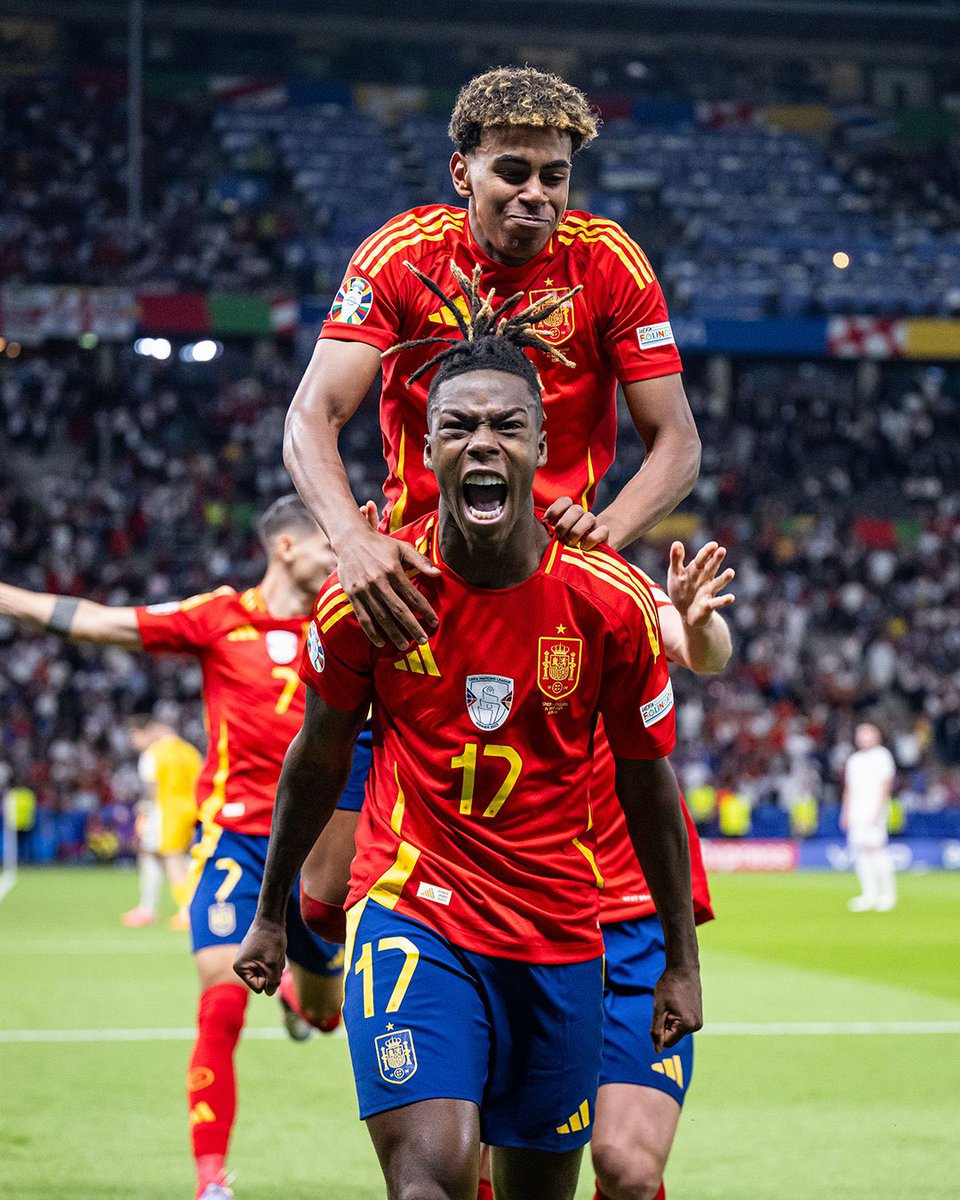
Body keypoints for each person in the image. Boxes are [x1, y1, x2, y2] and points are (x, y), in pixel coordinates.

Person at [236, 314, 702, 1200]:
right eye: (457, 426)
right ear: (427, 448)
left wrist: (681, 958)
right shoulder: (370, 596)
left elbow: (649, 785)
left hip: (558, 932)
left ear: (541, 446)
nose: (482, 442)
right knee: (432, 1181)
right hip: (416, 913)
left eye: (505, 426)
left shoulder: (608, 603)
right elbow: (318, 758)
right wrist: (272, 914)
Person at [283, 63, 700, 650]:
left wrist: (607, 532)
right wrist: (351, 538)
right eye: (512, 172)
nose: (536, 194)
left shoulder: (609, 262)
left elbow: (678, 440)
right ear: (462, 173)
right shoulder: (403, 256)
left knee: (673, 665)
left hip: (554, 561)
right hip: (418, 566)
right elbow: (312, 414)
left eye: (554, 176)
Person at [0, 495, 344, 1200]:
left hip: (321, 849)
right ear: (285, 547)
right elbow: (101, 623)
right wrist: (7, 597)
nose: (340, 555)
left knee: (326, 1013)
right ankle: (211, 1181)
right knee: (220, 1001)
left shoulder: (343, 623)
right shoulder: (220, 616)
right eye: (327, 543)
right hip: (235, 844)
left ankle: (296, 995)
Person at [122, 712, 203, 931]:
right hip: (191, 810)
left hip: (164, 812)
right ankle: (148, 908)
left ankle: (187, 910)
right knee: (160, 855)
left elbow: (151, 789)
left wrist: (143, 814)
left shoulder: (154, 754)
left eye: (134, 736)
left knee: (172, 858)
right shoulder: (189, 751)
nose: (133, 742)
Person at [841, 722, 897, 912]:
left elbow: (886, 785)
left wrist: (879, 810)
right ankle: (869, 894)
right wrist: (845, 812)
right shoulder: (854, 760)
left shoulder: (882, 756)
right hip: (856, 811)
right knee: (861, 852)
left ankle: (887, 894)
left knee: (877, 850)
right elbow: (849, 788)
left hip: (874, 809)